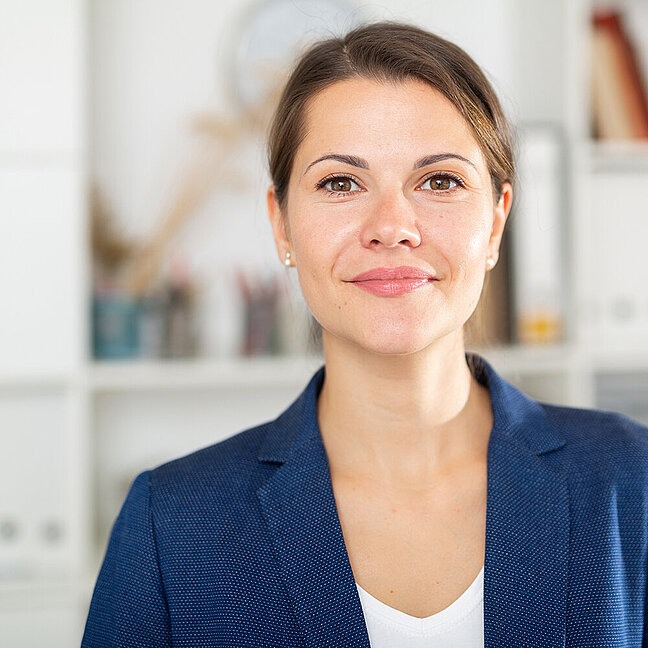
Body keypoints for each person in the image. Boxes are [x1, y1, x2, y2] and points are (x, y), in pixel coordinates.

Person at [81, 22, 648, 648]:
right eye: (340, 183)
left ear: (495, 224)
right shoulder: (173, 524)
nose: (391, 226)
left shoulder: (631, 480)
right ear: (283, 227)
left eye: (439, 181)